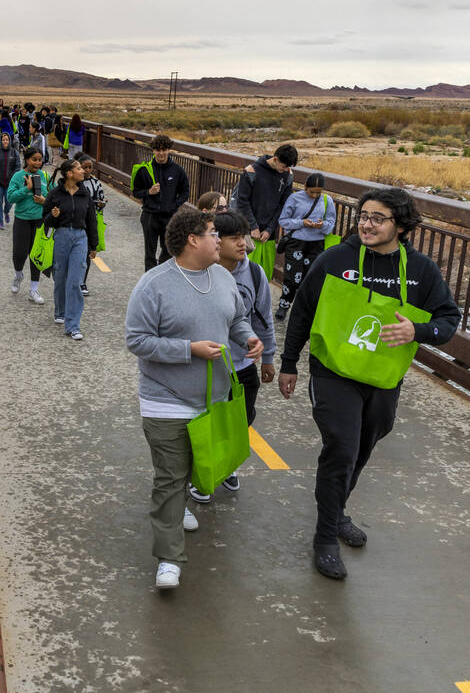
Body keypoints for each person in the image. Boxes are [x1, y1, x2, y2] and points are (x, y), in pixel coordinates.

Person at [277, 188, 461, 581]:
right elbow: (303, 311)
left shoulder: (421, 270)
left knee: (363, 445)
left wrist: (419, 330)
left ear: (402, 225)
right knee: (341, 446)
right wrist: (289, 362)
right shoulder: (335, 259)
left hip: (381, 376)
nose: (366, 223)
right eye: (363, 215)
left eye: (378, 218)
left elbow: (447, 320)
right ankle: (325, 538)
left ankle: (337, 509)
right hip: (333, 371)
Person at [125, 207, 263, 590]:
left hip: (213, 395)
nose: (220, 239)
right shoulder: (154, 285)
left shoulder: (222, 277)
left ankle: (181, 504)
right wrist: (189, 349)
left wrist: (248, 339)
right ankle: (169, 558)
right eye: (213, 233)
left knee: (198, 465)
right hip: (164, 398)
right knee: (170, 476)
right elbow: (137, 341)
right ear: (192, 240)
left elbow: (235, 319)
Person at [187, 211, 276, 504]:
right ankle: (202, 474)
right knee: (206, 421)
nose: (243, 243)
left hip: (242, 364)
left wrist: (268, 357)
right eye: (234, 238)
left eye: (244, 236)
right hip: (207, 366)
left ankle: (226, 465)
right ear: (216, 241)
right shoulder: (197, 272)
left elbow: (263, 318)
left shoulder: (254, 273)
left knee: (242, 418)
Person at [43, 158, 98, 340]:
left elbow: (91, 219)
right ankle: (60, 310)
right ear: (69, 174)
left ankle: (72, 325)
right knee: (60, 276)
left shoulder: (85, 194)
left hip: (80, 238)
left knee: (75, 281)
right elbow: (45, 220)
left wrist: (93, 245)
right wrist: (53, 215)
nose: (83, 171)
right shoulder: (55, 194)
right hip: (62, 236)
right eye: (79, 168)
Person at [275, 173, 337, 321]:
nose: (315, 195)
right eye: (312, 192)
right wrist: (302, 223)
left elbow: (331, 222)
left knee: (311, 278)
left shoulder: (327, 200)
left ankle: (305, 309)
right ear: (305, 187)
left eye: (318, 192)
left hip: (317, 244)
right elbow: (283, 221)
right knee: (291, 277)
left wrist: (322, 225)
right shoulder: (294, 198)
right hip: (296, 242)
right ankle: (284, 305)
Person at [232, 143, 297, 274]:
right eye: (284, 166)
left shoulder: (288, 175)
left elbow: (283, 205)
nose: (286, 169)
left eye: (288, 167)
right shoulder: (251, 171)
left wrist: (269, 229)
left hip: (269, 234)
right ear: (275, 159)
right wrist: (253, 226)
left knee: (266, 273)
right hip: (248, 231)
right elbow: (242, 201)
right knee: (245, 272)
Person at [131, 135, 191, 272]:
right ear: (153, 151)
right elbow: (136, 192)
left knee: (168, 251)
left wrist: (175, 205)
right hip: (150, 216)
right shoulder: (144, 170)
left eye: (164, 150)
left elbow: (185, 191)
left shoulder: (177, 170)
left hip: (169, 217)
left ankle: (164, 278)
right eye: (157, 150)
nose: (161, 153)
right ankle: (150, 281)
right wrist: (148, 192)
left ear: (169, 150)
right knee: (149, 252)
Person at [6, 147, 50, 303]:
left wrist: (45, 199)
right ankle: (18, 275)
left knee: (36, 255)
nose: (37, 163)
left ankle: (34, 290)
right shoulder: (18, 176)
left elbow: (52, 196)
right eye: (34, 159)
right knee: (19, 254)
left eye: (40, 159)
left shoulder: (44, 175)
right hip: (22, 220)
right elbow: (10, 197)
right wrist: (27, 188)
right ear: (26, 160)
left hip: (39, 220)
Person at [78, 154, 106, 296]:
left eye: (90, 167)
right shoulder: (76, 182)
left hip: (91, 221)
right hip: (77, 222)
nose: (87, 170)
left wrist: (101, 204)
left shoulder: (96, 183)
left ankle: (82, 282)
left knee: (87, 253)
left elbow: (101, 199)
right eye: (84, 167)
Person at [0, 133, 21, 230]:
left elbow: (18, 166)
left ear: (9, 141)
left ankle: (6, 212)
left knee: (9, 202)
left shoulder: (14, 152)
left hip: (10, 184)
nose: (5, 141)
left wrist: (13, 177)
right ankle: (0, 221)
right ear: (1, 141)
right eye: (3, 140)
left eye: (7, 139)